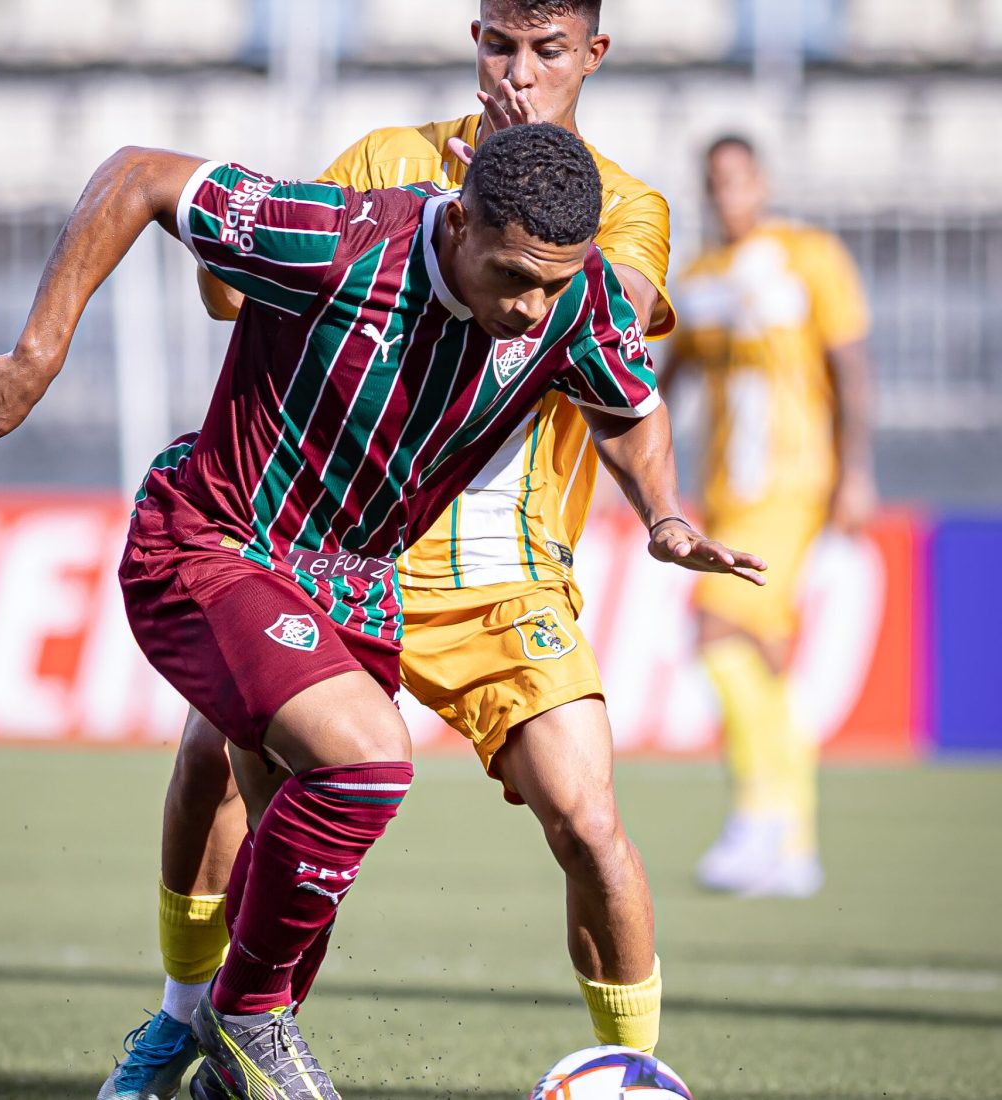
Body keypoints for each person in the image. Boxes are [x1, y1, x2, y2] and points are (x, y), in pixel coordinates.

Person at [0, 122, 764, 1099]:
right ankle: (237, 1015)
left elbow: (632, 404)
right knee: (369, 757)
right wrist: (38, 354)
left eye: (552, 285)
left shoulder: (572, 298)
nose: (531, 307)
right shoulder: (337, 241)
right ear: (463, 221)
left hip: (357, 580)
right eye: (514, 275)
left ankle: (221, 1057)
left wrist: (664, 513)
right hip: (212, 544)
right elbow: (139, 176)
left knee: (298, 864)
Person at [99, 3, 690, 1097]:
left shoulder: (609, 202)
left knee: (591, 818)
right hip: (324, 538)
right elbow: (235, 288)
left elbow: (622, 314)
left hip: (497, 560)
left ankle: (632, 1073)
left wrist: (502, 205)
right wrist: (400, 221)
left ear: (590, 57)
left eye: (545, 51)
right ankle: (185, 1027)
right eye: (499, 46)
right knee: (210, 764)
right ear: (474, 41)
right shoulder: (384, 160)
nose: (516, 72)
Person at [666, 134, 875, 898]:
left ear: (762, 181)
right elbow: (664, 379)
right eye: (714, 182)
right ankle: (795, 842)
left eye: (738, 180)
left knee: (717, 630)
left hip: (793, 484)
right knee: (767, 658)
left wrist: (856, 470)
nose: (728, 195)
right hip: (728, 493)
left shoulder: (809, 256)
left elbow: (850, 364)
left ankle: (757, 817)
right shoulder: (698, 279)